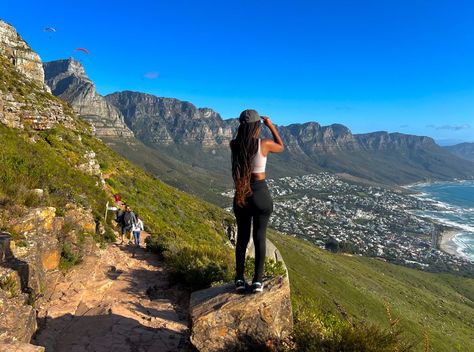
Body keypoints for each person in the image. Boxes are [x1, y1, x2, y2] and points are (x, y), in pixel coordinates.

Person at [230, 109, 284, 293]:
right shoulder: (264, 144)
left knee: (242, 239)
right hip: (260, 193)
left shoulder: (234, 145)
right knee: (259, 237)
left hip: (241, 194)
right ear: (257, 127)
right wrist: (271, 125)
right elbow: (281, 146)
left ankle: (239, 279)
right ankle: (257, 281)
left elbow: (241, 143)